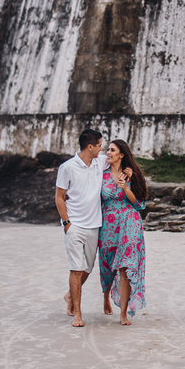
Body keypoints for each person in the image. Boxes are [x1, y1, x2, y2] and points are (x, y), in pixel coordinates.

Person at [55, 128, 108, 327]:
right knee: (76, 269)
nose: (102, 149)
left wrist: (128, 170)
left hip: (94, 225)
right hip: (74, 225)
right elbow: (59, 197)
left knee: (87, 267)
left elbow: (119, 160)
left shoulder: (99, 162)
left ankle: (70, 295)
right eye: (100, 145)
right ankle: (78, 313)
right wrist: (67, 222)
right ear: (90, 146)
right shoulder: (67, 167)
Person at [99, 139, 147, 325]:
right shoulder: (101, 175)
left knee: (125, 267)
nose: (108, 153)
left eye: (112, 150)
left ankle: (123, 313)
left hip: (130, 224)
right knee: (107, 265)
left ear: (121, 154)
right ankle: (106, 297)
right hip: (108, 225)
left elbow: (140, 204)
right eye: (107, 150)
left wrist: (125, 187)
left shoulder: (131, 176)